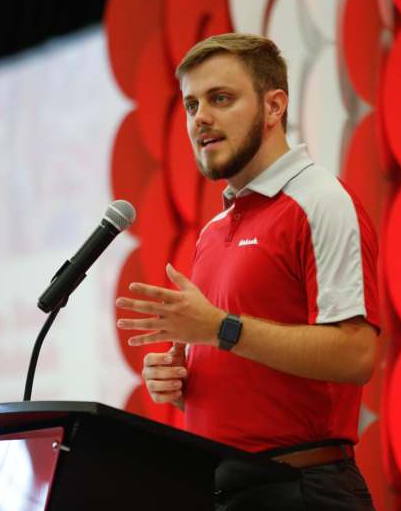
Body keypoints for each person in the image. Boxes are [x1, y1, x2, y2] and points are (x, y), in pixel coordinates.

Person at [115, 33, 379, 511]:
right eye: (192, 105)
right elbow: (249, 370)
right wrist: (184, 384)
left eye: (221, 98)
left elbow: (357, 354)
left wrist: (219, 329)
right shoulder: (213, 230)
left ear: (274, 106)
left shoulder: (319, 199)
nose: (201, 119)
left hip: (301, 491)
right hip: (220, 489)